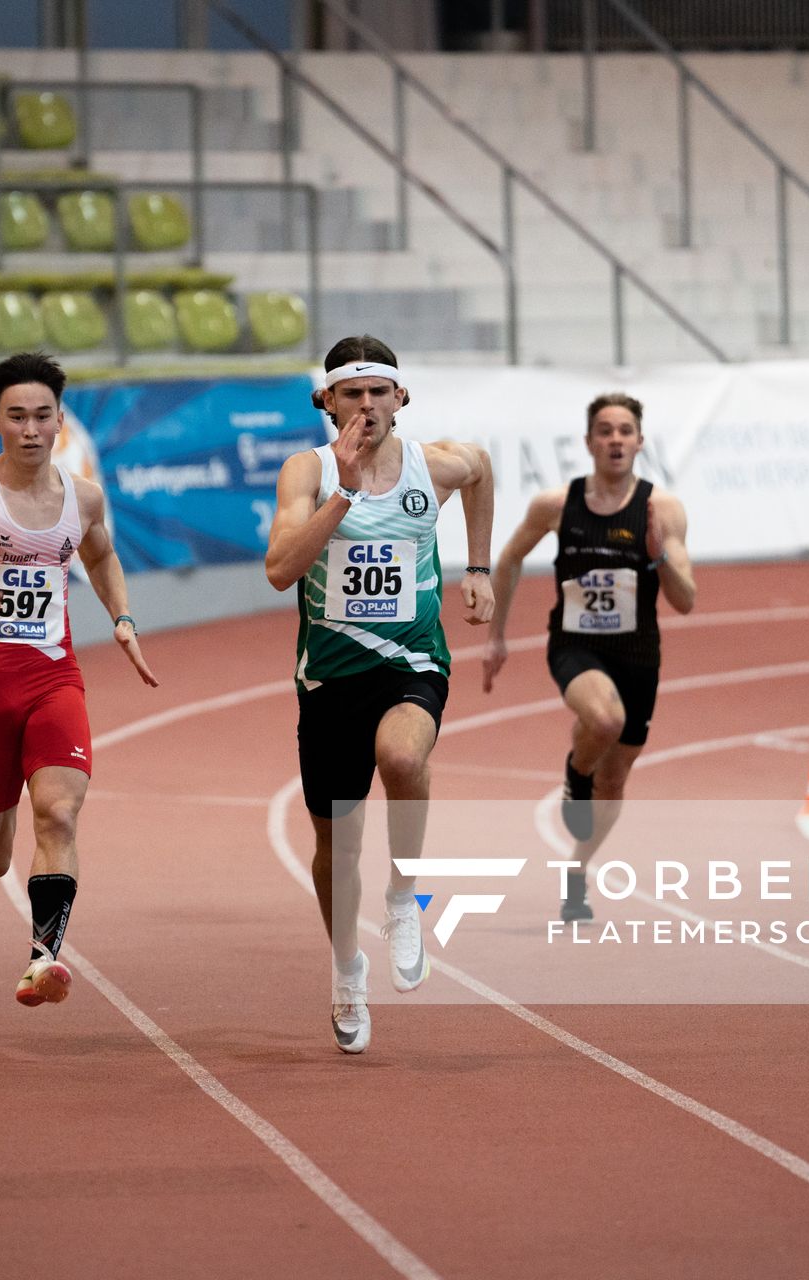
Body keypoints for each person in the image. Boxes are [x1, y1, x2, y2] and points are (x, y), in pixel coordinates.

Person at [0, 352, 158, 1008]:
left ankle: (43, 959)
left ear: (60, 421)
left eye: (43, 416)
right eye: (17, 416)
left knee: (60, 812)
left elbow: (103, 557)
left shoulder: (84, 497)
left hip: (54, 681)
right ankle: (11, 830)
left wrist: (122, 616)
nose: (31, 429)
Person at [264, 335, 495, 1054]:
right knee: (336, 842)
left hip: (412, 664)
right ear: (326, 402)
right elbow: (279, 570)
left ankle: (403, 900)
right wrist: (343, 490)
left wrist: (479, 566)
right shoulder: (305, 472)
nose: (366, 405)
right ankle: (346, 972)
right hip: (330, 677)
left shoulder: (437, 464)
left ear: (402, 398)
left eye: (378, 392)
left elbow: (483, 472)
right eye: (351, 393)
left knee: (402, 759)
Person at [482, 392, 696, 923]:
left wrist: (659, 554)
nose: (615, 439)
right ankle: (575, 774)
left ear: (639, 442)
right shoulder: (557, 505)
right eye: (605, 430)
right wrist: (497, 636)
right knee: (604, 718)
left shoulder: (661, 509)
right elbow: (509, 559)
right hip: (575, 644)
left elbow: (686, 600)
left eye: (625, 430)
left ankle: (577, 874)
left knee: (616, 780)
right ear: (589, 442)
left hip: (639, 654)